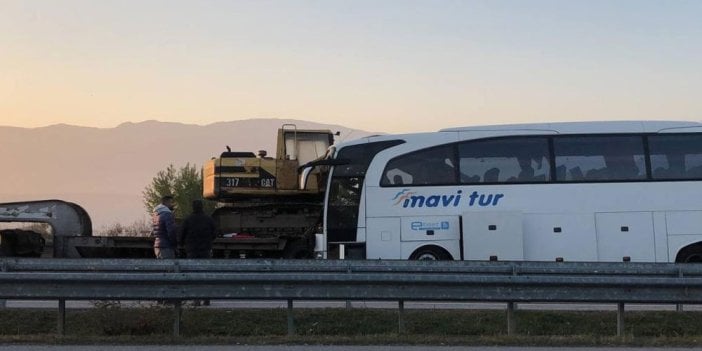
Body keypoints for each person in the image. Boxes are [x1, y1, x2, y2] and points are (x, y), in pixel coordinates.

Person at [178, 199, 216, 306]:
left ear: (193, 207)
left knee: (193, 275)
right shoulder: (208, 219)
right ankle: (206, 298)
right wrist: (208, 242)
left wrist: (181, 244)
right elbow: (214, 233)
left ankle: (196, 299)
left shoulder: (188, 220)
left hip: (192, 250)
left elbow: (181, 234)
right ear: (202, 207)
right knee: (205, 274)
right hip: (205, 250)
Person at [151, 195, 177, 259]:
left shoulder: (156, 214)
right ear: (166, 202)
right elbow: (171, 231)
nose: (173, 205)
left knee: (161, 267)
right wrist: (174, 244)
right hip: (166, 246)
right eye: (171, 202)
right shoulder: (167, 214)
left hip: (157, 246)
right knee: (169, 267)